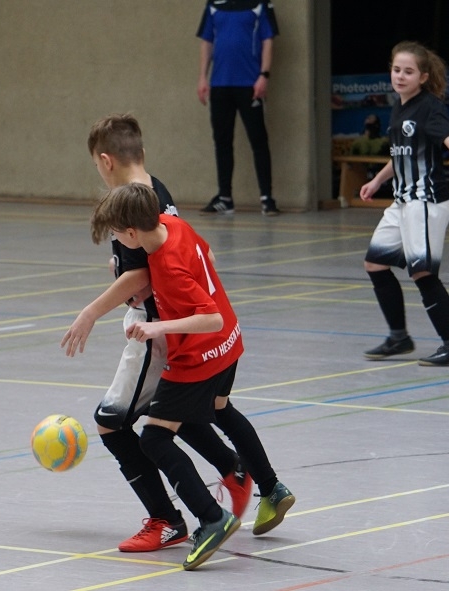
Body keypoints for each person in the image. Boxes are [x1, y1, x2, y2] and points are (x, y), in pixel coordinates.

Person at [61, 114, 253, 553]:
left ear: (105, 160)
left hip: (156, 332)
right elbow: (201, 256)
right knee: (162, 415)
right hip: (177, 331)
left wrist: (92, 312)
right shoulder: (153, 192)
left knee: (113, 423)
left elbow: (149, 275)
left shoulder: (134, 206)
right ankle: (230, 471)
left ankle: (171, 519)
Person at [88, 182, 295, 571]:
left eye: (116, 234)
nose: (117, 241)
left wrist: (158, 327)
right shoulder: (173, 225)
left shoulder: (166, 266)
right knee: (206, 413)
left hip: (199, 355)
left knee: (154, 438)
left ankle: (211, 519)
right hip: (230, 343)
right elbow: (207, 264)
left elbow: (208, 316)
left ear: (131, 233)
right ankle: (253, 479)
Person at [359, 42, 449, 366]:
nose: (400, 76)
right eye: (396, 70)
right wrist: (378, 180)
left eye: (408, 72)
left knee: (422, 272)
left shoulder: (429, 107)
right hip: (402, 201)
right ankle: (399, 337)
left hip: (425, 200)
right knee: (375, 264)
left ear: (422, 77)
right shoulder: (399, 106)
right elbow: (400, 155)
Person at [196, 0, 280, 216]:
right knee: (222, 141)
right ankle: (225, 198)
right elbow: (207, 41)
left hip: (250, 84)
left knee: (258, 140)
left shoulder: (260, 4)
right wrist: (203, 77)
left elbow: (268, 39)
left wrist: (264, 75)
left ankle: (267, 198)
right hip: (220, 84)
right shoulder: (214, 5)